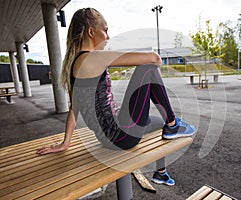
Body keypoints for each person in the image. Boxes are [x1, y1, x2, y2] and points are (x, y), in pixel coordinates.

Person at [37, 7, 195, 186]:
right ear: (91, 32)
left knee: (160, 124)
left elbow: (74, 108)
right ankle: (173, 124)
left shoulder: (76, 63)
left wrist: (66, 143)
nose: (108, 36)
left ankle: (160, 172)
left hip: (109, 137)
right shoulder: (93, 58)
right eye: (105, 30)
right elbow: (155, 58)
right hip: (121, 135)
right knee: (148, 69)